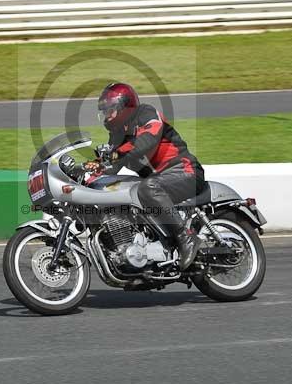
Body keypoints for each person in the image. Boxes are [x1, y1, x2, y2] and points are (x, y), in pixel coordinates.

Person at [84, 82, 205, 269]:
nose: (106, 115)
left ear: (123, 107)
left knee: (147, 188)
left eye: (109, 110)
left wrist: (117, 154)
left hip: (184, 171)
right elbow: (110, 166)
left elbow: (147, 140)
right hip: (158, 181)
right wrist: (86, 174)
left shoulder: (146, 113)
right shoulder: (117, 135)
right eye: (104, 111)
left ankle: (185, 237)